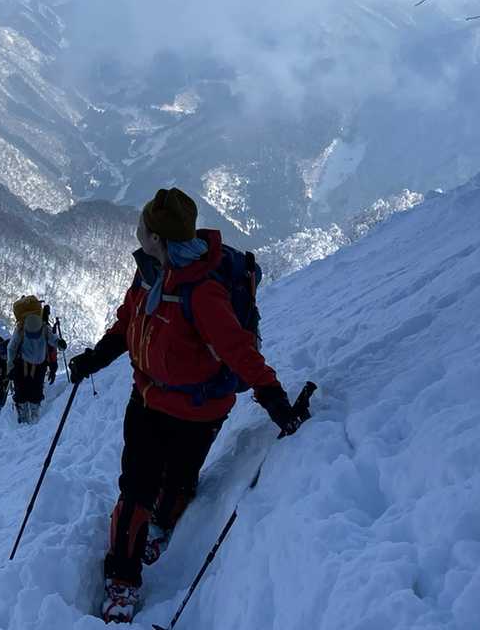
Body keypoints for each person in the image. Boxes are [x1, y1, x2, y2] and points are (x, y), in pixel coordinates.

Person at [68, 187, 306, 624]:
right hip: (147, 398)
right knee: (136, 486)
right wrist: (96, 358)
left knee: (178, 480)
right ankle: (122, 576)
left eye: (143, 227)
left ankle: (161, 524)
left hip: (198, 409)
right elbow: (128, 322)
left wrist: (272, 396)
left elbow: (237, 349)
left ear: (158, 237)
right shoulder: (148, 272)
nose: (138, 232)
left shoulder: (202, 291)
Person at [8, 302, 66, 424]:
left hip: (27, 364)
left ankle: (27, 412)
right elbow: (53, 339)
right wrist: (59, 343)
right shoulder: (37, 328)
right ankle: (29, 412)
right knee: (29, 389)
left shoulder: (24, 329)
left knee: (28, 389)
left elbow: (12, 348)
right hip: (34, 364)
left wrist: (10, 367)